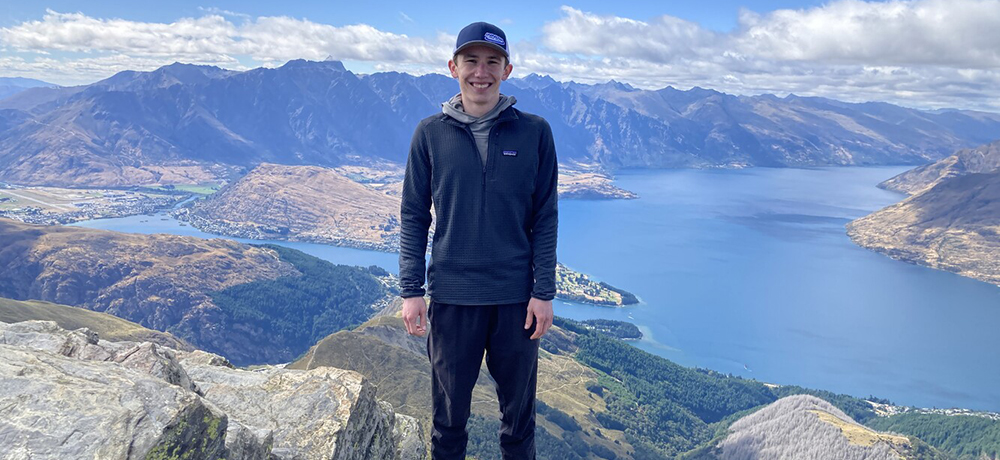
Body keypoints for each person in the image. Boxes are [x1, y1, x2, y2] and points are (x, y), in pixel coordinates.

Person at [398, 21, 558, 460]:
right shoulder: (429, 134)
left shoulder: (535, 133)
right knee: (448, 425)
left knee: (518, 426)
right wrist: (411, 291)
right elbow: (413, 216)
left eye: (492, 62)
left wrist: (543, 292)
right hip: (452, 300)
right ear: (453, 67)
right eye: (471, 61)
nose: (481, 72)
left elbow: (545, 215)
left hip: (516, 300)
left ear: (507, 70)